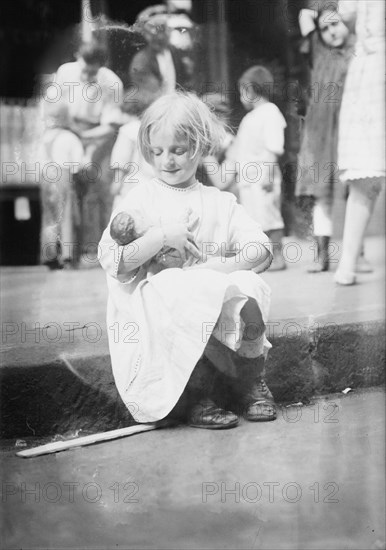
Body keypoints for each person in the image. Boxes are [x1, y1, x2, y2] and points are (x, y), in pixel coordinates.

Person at [98, 91, 276, 430]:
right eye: (158, 151)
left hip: (209, 292)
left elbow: (260, 248)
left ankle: (250, 380)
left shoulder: (219, 201)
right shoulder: (143, 196)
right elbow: (113, 261)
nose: (167, 160)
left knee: (249, 283)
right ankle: (196, 395)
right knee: (179, 286)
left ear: (200, 147)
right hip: (163, 304)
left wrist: (217, 268)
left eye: (178, 150)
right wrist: (162, 237)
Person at [296, 4, 356, 273]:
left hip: (348, 130)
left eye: (335, 24)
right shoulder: (319, 51)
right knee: (323, 196)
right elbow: (304, 15)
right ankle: (323, 256)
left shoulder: (359, 51)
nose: (330, 31)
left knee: (355, 189)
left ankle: (357, 254)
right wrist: (322, 13)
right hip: (320, 136)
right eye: (325, 28)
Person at [334, 0, 385, 285]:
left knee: (365, 178)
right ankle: (348, 263)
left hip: (371, 67)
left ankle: (348, 264)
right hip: (369, 69)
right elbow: (346, 14)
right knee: (364, 174)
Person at [219, 66, 287, 271]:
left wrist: (266, 175)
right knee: (255, 219)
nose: (241, 97)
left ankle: (278, 256)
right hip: (248, 181)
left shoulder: (270, 113)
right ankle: (261, 257)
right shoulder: (250, 118)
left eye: (241, 91)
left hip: (263, 178)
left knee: (270, 217)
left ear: (250, 90)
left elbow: (273, 147)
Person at [39, 98, 84, 269]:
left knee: (49, 218)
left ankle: (49, 255)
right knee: (66, 216)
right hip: (63, 177)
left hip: (46, 176)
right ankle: (67, 255)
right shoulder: (69, 137)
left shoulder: (45, 137)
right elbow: (78, 164)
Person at [128, 6, 193, 105]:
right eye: (153, 31)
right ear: (145, 34)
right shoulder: (141, 61)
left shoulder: (176, 53)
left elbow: (186, 84)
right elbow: (150, 97)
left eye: (163, 29)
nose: (160, 36)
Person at [109, 208, 200, 272]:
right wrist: (185, 216)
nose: (142, 216)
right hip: (178, 257)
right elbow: (176, 228)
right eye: (141, 218)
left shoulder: (149, 238)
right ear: (138, 230)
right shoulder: (152, 235)